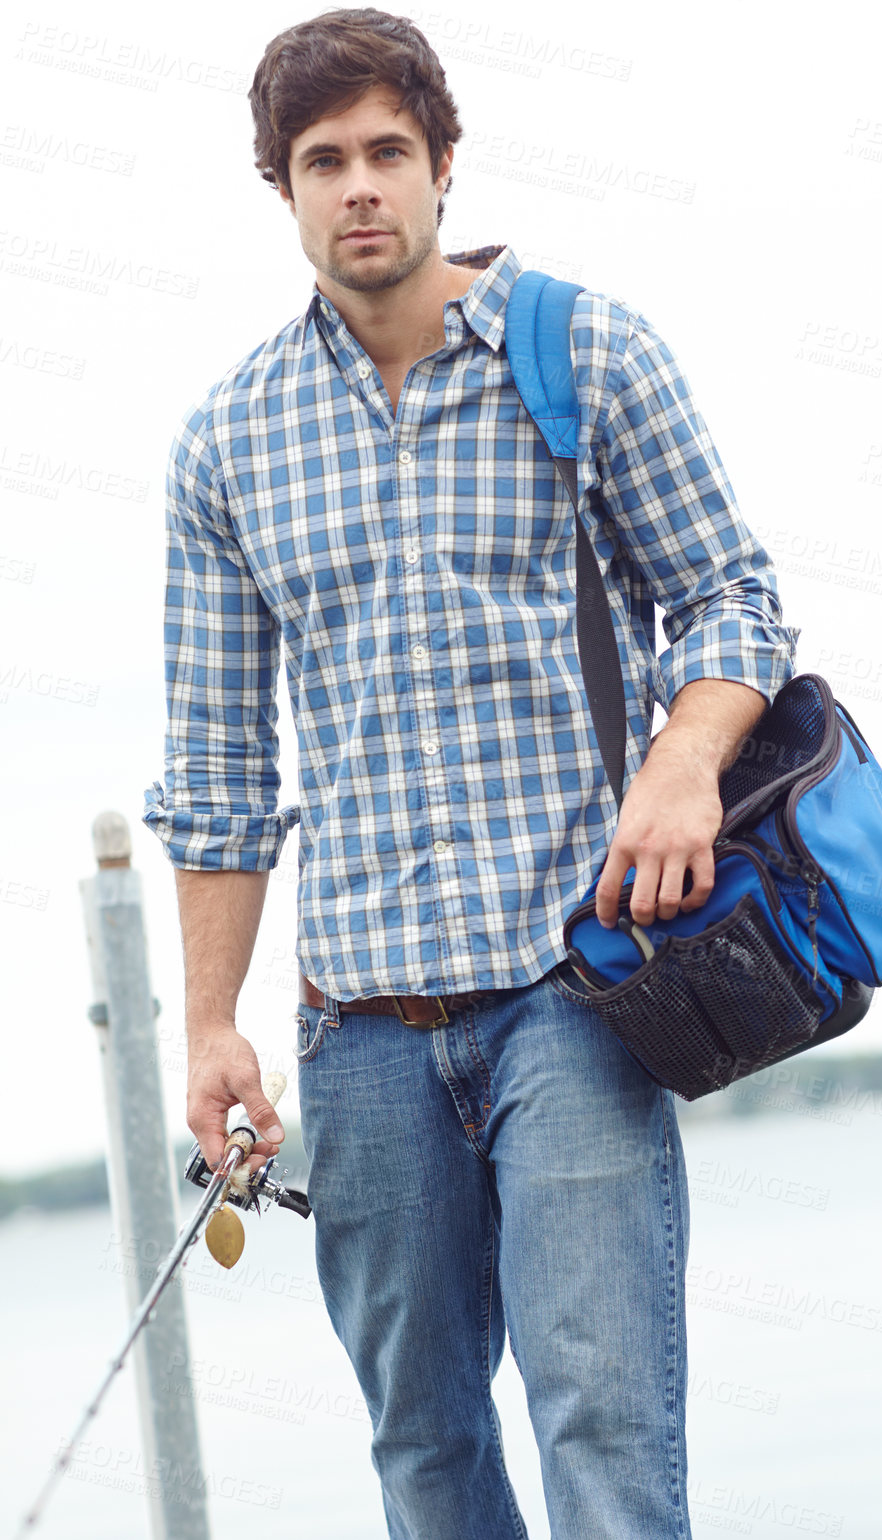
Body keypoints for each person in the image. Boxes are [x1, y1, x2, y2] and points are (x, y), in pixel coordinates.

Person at [142, 8, 798, 1537]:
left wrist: (685, 761)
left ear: (442, 166)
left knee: (604, 1441)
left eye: (386, 151)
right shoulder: (226, 445)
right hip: (360, 1039)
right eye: (323, 161)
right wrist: (212, 1028)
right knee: (424, 1459)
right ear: (282, 191)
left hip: (571, 996)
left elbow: (729, 596)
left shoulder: (586, 353)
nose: (358, 185)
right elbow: (219, 768)